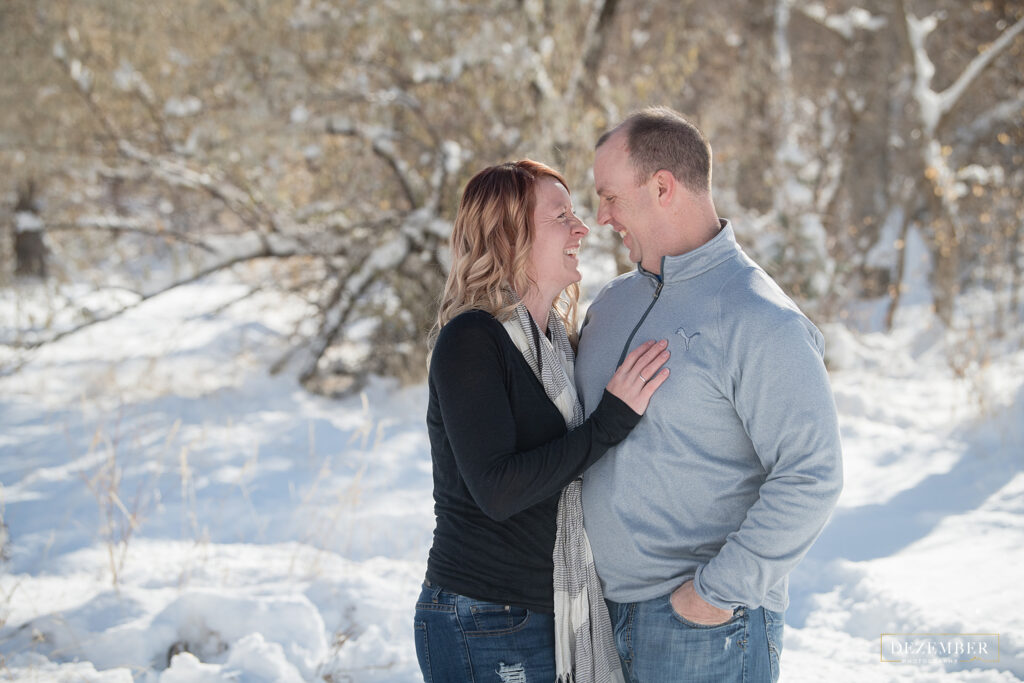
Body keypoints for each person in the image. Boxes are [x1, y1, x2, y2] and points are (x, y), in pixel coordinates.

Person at [575, 107, 844, 683]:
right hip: (598, 621)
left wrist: (713, 596)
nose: (600, 218)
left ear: (663, 187)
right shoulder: (611, 304)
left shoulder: (759, 316)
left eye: (610, 197)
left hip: (704, 630)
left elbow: (811, 473)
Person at [415, 159, 671, 683]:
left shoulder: (555, 343)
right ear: (509, 235)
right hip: (483, 615)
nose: (582, 228)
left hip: (542, 614)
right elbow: (499, 489)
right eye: (561, 216)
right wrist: (608, 424)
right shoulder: (472, 340)